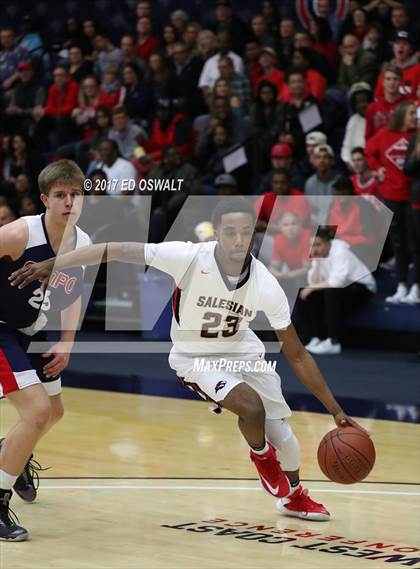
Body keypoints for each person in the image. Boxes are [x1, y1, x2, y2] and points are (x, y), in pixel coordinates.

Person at [9, 198, 368, 522]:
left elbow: (298, 353)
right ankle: (260, 457)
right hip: (195, 356)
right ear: (218, 233)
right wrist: (54, 263)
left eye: (246, 232)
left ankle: (293, 497)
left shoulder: (264, 282)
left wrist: (334, 409)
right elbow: (114, 248)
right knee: (252, 409)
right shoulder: (188, 256)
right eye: (231, 232)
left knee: (287, 440)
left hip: (242, 350)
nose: (239, 240)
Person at [0, 159, 91, 540]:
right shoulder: (19, 233)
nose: (69, 202)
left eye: (76, 194)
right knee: (36, 411)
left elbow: (73, 294)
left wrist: (67, 341)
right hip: (2, 328)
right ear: (44, 199)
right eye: (60, 195)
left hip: (35, 329)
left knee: (53, 412)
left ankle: (10, 452)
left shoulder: (82, 242)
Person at [366, 100, 417, 303]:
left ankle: (414, 287)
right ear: (402, 114)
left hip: (413, 196)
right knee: (398, 244)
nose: (415, 117)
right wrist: (377, 168)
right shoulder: (384, 135)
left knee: (414, 243)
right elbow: (369, 151)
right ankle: (402, 286)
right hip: (392, 195)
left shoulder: (416, 135)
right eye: (412, 113)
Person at [299, 226, 376, 355]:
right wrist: (317, 263)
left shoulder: (340, 251)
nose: (314, 249)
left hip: (363, 287)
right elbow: (314, 282)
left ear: (328, 243)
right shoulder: (319, 254)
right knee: (309, 294)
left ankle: (333, 342)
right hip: (342, 288)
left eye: (318, 245)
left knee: (330, 292)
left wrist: (310, 288)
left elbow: (336, 282)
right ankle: (316, 337)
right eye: (311, 245)